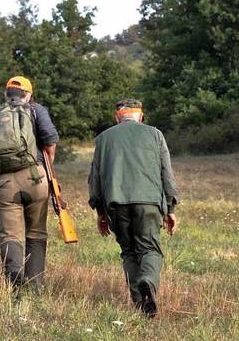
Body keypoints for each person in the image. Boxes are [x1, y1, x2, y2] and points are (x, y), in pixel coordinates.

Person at [88, 98, 179, 317]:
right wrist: (171, 207)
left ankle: (140, 304)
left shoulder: (103, 139)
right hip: (148, 203)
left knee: (129, 252)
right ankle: (147, 281)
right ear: (141, 115)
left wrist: (100, 212)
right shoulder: (155, 134)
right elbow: (166, 172)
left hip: (116, 204)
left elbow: (95, 179)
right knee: (149, 249)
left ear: (116, 116)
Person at [0, 76, 59, 293]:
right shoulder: (37, 110)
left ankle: (15, 279)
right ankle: (34, 286)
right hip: (36, 179)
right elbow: (50, 142)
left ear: (6, 94)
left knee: (10, 235)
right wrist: (46, 172)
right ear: (29, 94)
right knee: (36, 233)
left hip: (4, 182)